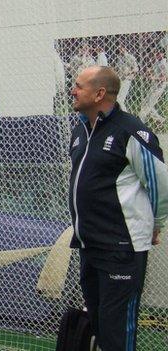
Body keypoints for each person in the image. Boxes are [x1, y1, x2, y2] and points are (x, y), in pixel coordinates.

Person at [68, 66, 168, 351]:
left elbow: (161, 185)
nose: (72, 90)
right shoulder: (80, 130)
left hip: (121, 249)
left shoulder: (130, 131)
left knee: (117, 332)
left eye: (79, 86)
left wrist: (156, 223)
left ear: (100, 94)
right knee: (99, 325)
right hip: (89, 245)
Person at [139, 49, 167, 122]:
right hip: (154, 86)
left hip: (159, 87)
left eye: (158, 53)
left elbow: (165, 78)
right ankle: (160, 119)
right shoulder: (157, 62)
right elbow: (152, 70)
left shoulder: (163, 63)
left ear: (162, 54)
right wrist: (148, 72)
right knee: (145, 102)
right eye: (155, 53)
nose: (156, 55)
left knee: (149, 104)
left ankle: (141, 119)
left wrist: (154, 77)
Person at [114, 44, 139, 112]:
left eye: (121, 48)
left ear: (124, 48)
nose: (119, 49)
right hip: (120, 79)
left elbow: (136, 68)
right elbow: (118, 68)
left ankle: (126, 115)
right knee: (118, 99)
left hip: (126, 80)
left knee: (119, 99)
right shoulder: (119, 57)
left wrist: (129, 72)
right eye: (118, 48)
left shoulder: (130, 57)